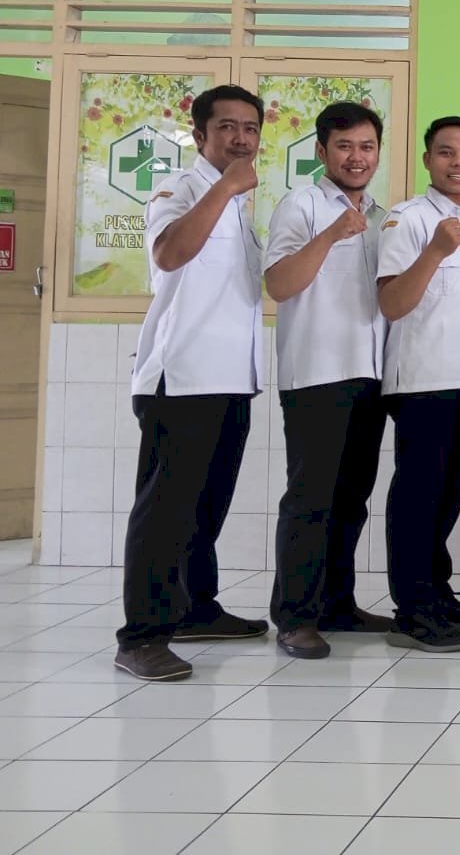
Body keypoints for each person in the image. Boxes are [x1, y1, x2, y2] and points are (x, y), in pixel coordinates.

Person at [115, 85, 269, 681]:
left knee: (206, 506)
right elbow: (170, 254)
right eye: (227, 127)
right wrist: (225, 187)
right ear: (200, 133)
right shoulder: (179, 189)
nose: (240, 138)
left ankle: (197, 608)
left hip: (230, 378)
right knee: (164, 513)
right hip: (180, 379)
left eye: (250, 128)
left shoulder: (241, 204)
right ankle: (142, 636)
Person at [377, 115, 460, 652]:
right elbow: (391, 303)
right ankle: (412, 610)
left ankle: (436, 591)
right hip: (423, 381)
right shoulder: (407, 219)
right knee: (418, 495)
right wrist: (434, 250)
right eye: (447, 152)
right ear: (428, 159)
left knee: (450, 492)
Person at [263, 102, 391, 659]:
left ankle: (337, 603)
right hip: (316, 374)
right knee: (310, 499)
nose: (356, 157)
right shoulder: (302, 205)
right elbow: (278, 284)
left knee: (351, 497)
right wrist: (333, 233)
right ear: (321, 151)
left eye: (366, 146)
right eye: (344, 146)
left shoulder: (384, 216)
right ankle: (295, 617)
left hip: (370, 374)